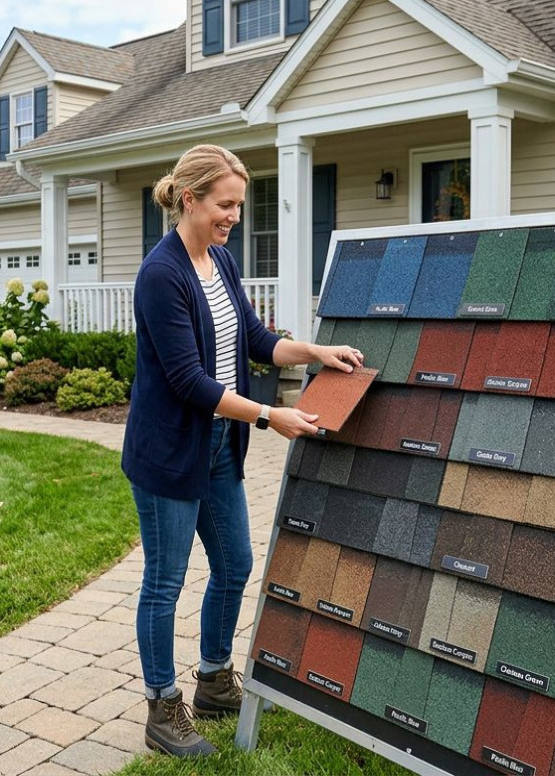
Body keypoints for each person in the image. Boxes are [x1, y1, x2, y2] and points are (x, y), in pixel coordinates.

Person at [122, 144, 364, 757]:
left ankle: (212, 679)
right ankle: (161, 708)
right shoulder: (162, 274)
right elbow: (188, 382)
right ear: (189, 199)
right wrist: (269, 414)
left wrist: (314, 352)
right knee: (165, 581)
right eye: (224, 204)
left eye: (238, 205)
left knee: (233, 566)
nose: (233, 215)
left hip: (219, 449)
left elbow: (254, 340)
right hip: (169, 454)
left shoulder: (221, 262)